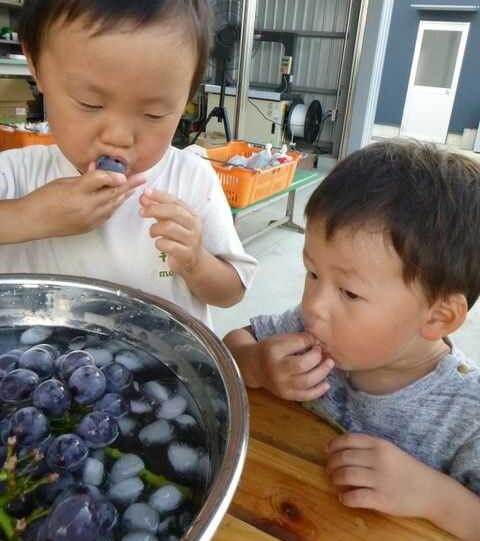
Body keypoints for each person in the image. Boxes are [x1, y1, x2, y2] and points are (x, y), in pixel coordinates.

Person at [224, 140, 480, 540]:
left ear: (438, 316)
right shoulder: (308, 332)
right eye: (312, 274)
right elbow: (231, 349)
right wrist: (256, 363)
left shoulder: (466, 415)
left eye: (349, 292)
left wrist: (437, 497)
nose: (314, 306)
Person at [0, 0, 257, 327]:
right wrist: (30, 216)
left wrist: (195, 261)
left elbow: (232, 291)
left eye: (154, 114)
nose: (119, 137)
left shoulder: (191, 181)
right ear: (35, 64)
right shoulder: (16, 174)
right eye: (90, 103)